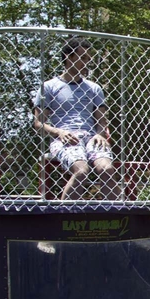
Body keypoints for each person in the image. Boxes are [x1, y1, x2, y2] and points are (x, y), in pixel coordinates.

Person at [33, 38, 118, 199]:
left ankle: (118, 217)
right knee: (81, 171)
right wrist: (59, 132)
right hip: (65, 137)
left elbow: (101, 121)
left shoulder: (94, 88)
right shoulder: (49, 87)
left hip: (91, 137)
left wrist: (100, 134)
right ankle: (63, 217)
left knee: (106, 170)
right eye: (83, 57)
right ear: (69, 57)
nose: (87, 62)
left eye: (88, 58)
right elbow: (38, 123)